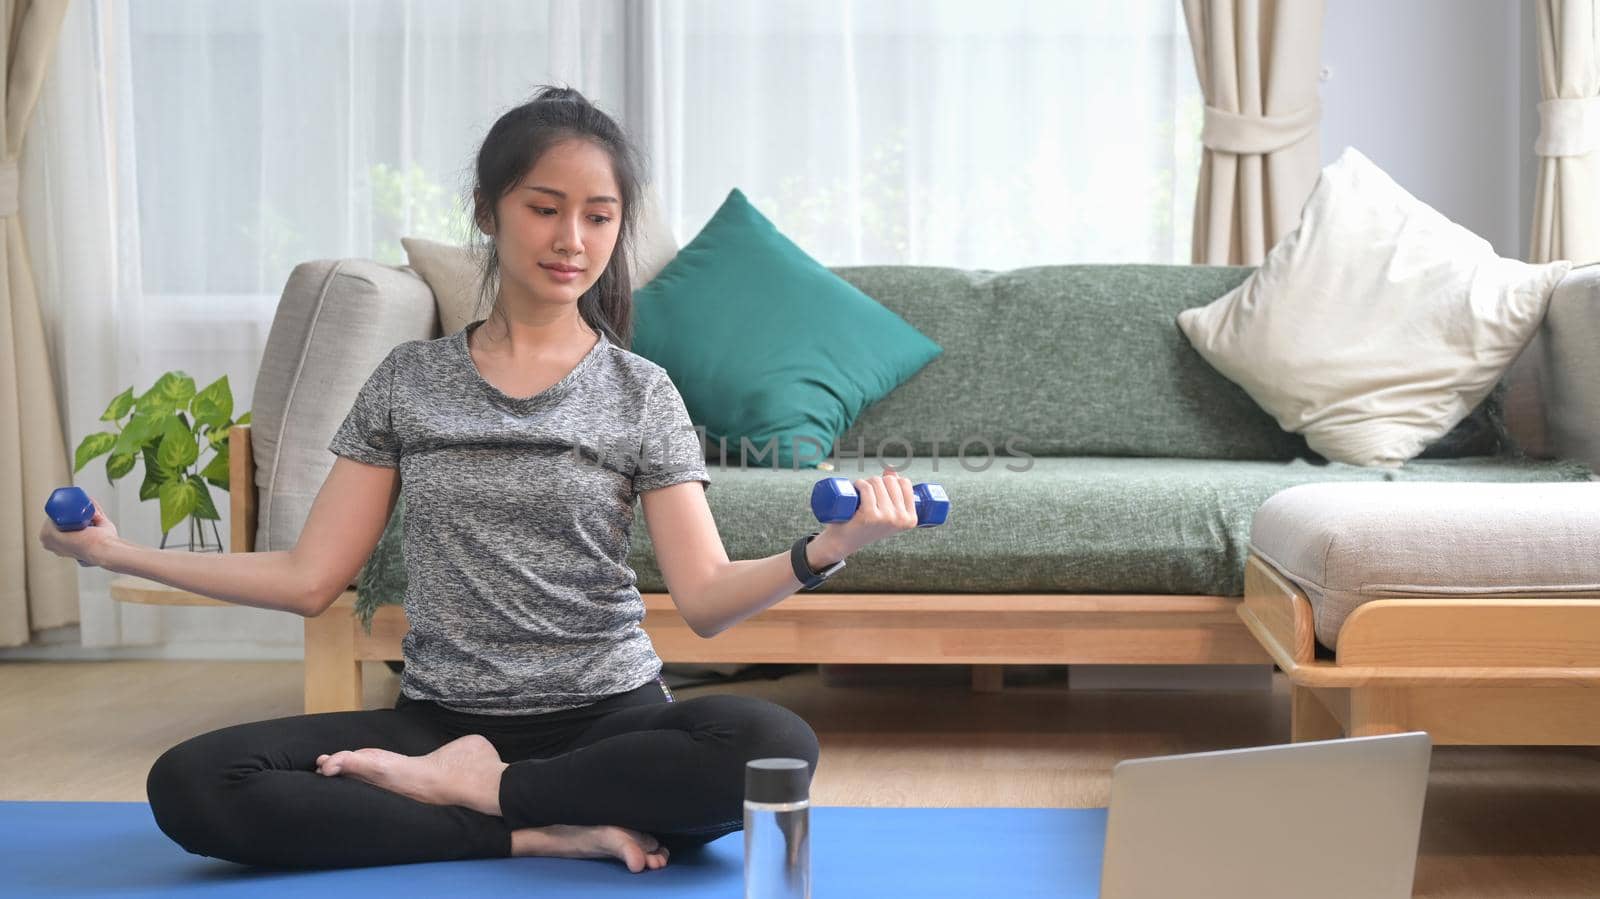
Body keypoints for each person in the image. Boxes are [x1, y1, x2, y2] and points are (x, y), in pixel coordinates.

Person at [39, 85, 925, 873]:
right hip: (439, 722)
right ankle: (534, 825)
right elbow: (310, 578)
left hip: (607, 720)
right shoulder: (408, 380)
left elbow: (707, 598)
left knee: (772, 743)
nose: (572, 240)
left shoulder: (639, 390)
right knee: (194, 782)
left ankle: (492, 795)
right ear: (489, 210)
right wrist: (120, 553)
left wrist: (831, 546)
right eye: (544, 208)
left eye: (600, 216)